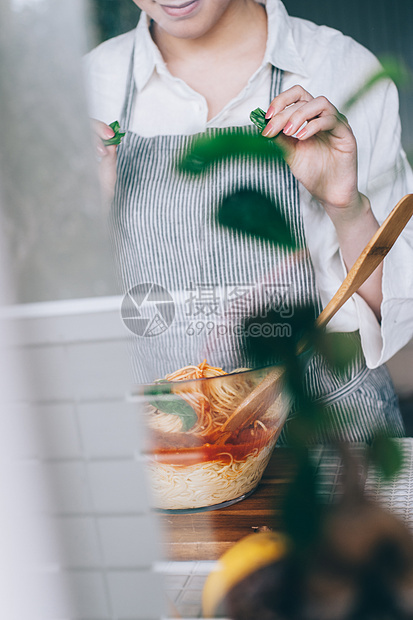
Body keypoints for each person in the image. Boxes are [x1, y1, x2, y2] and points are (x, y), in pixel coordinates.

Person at [83, 0, 413, 442]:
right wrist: (82, 210)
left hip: (333, 445)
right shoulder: (88, 84)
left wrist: (346, 207)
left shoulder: (337, 66)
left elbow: (393, 314)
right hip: (176, 453)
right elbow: (55, 322)